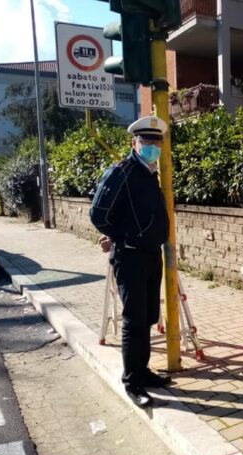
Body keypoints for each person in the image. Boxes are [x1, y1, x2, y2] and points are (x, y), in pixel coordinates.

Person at [89, 116, 172, 409]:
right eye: (146, 142)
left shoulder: (149, 173)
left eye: (156, 142)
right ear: (134, 143)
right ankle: (132, 382)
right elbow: (98, 214)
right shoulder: (122, 172)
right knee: (134, 320)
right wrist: (121, 236)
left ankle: (144, 371)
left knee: (149, 316)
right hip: (131, 256)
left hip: (151, 255)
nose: (152, 147)